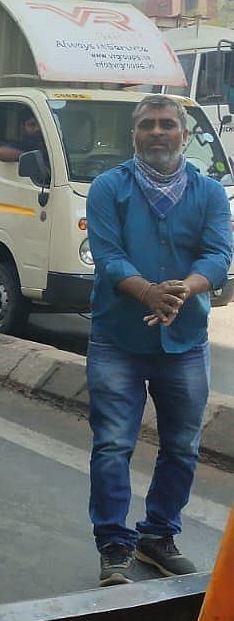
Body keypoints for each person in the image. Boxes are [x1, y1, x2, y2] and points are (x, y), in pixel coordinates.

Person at [85, 94, 232, 587]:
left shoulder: (209, 192)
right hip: (117, 339)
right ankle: (113, 546)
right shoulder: (109, 187)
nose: (157, 132)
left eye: (167, 124)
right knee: (111, 445)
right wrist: (149, 292)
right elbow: (107, 257)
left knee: (183, 447)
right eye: (147, 125)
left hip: (184, 340)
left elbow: (218, 255)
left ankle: (158, 536)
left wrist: (182, 291)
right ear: (134, 135)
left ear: (183, 135)